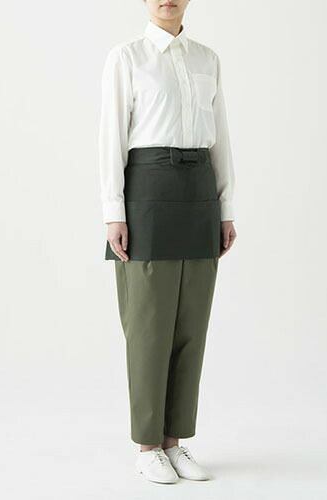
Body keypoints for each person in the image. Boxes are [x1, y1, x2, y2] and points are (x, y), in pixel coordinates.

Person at [98, 0, 237, 484]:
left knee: (190, 326)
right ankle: (147, 445)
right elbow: (111, 138)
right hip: (148, 193)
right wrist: (114, 212)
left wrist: (226, 206)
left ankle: (175, 442)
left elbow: (221, 137)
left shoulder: (207, 59)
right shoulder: (127, 57)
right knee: (149, 326)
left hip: (199, 193)